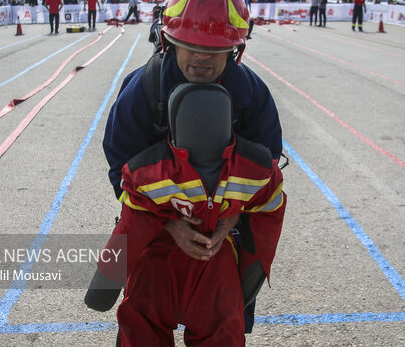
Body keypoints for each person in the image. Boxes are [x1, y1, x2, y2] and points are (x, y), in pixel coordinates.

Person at [100, 0, 283, 334]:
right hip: (155, 238)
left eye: (216, 49)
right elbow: (119, 170)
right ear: (168, 41)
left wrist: (234, 219)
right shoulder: (141, 92)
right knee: (143, 327)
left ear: (236, 50)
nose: (202, 58)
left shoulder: (253, 98)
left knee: (220, 330)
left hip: (220, 242)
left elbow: (267, 167)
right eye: (192, 45)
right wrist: (168, 224)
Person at [87, 82, 286, 346]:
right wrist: (251, 270)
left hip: (156, 267)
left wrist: (104, 285)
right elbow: (269, 213)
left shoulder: (148, 173)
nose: (202, 58)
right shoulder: (255, 169)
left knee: (142, 327)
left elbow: (131, 228)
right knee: (221, 331)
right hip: (215, 267)